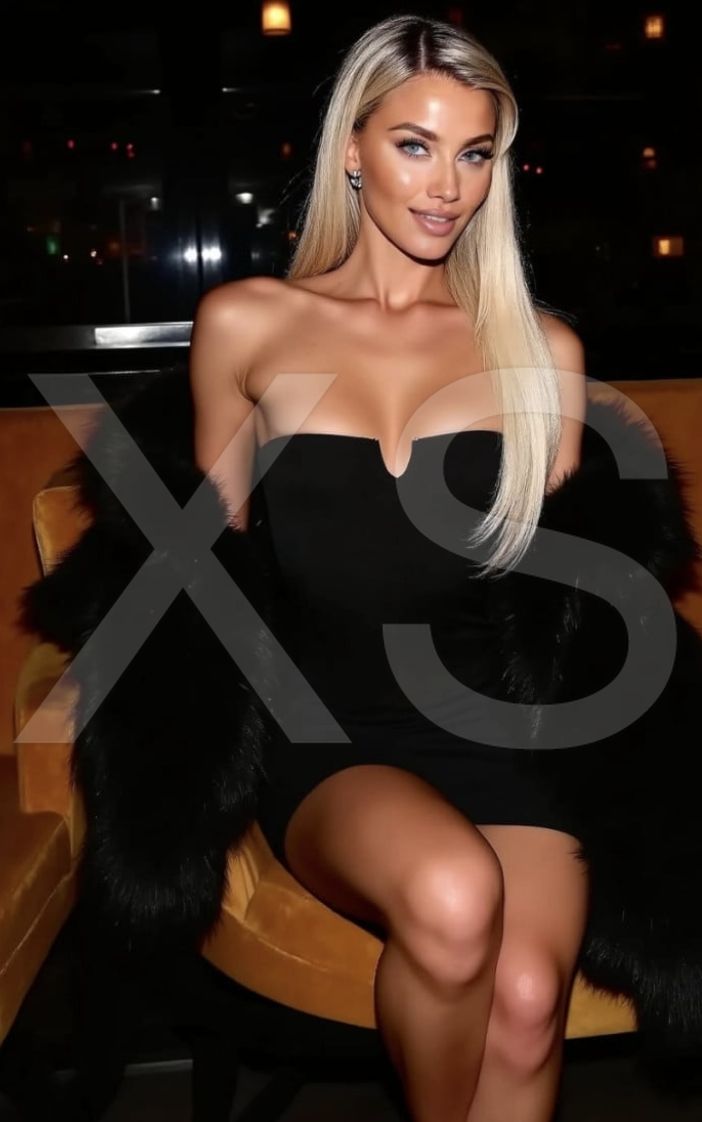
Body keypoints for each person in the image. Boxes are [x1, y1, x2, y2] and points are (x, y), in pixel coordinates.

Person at [188, 13, 590, 1122]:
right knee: (454, 894)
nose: (446, 186)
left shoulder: (539, 350)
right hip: (327, 731)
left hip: (498, 727)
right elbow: (205, 570)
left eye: (474, 154)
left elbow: (565, 597)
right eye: (416, 145)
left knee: (524, 1000)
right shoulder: (249, 323)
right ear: (354, 149)